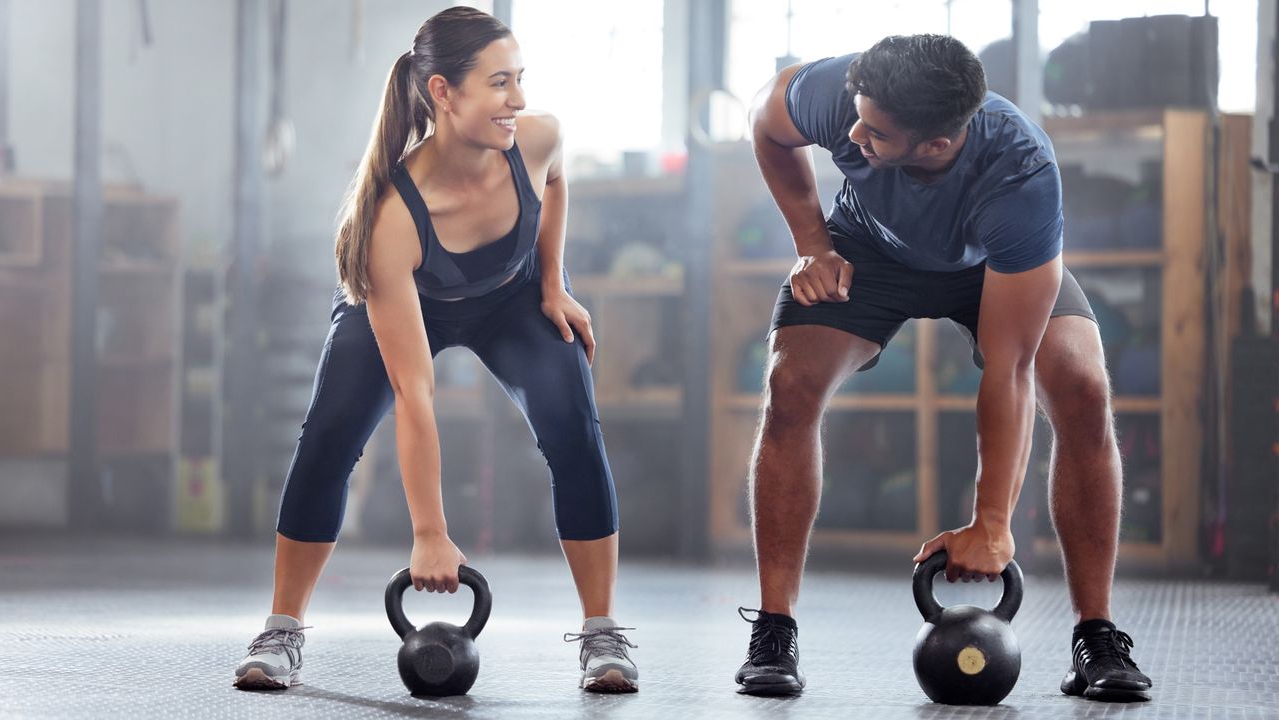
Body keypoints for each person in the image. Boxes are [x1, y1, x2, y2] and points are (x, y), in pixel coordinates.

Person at [232, 7, 637, 694]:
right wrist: (430, 532)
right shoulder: (391, 216)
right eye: (500, 83)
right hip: (405, 300)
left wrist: (551, 282)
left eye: (521, 79)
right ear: (444, 93)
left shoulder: (537, 140)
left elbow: (556, 183)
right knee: (328, 437)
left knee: (573, 425)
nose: (520, 99)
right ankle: (281, 628)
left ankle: (602, 633)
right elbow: (416, 394)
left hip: (510, 299)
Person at [735, 34, 1152, 702]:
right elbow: (767, 121)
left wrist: (991, 523)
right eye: (856, 117)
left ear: (934, 144)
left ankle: (1096, 634)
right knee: (790, 384)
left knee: (1082, 387)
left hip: (991, 267)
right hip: (866, 250)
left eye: (874, 133)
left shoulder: (1020, 174)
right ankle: (774, 632)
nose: (852, 135)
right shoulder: (845, 92)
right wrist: (812, 245)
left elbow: (1009, 367)